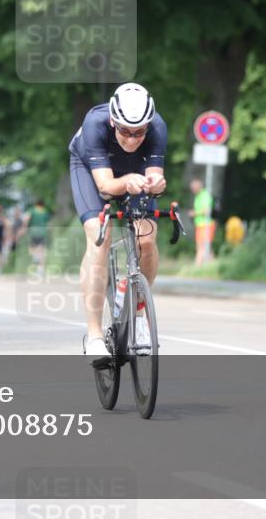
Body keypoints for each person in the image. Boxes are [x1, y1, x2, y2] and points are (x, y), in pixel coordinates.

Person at [69, 82, 167, 355]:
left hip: (133, 170)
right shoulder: (95, 123)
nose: (132, 138)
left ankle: (138, 315)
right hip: (90, 170)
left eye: (139, 132)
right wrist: (127, 182)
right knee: (100, 238)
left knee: (146, 238)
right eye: (125, 130)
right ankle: (94, 336)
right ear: (113, 121)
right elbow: (105, 186)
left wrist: (156, 182)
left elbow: (155, 173)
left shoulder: (157, 126)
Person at [188, 178, 214, 265]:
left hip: (206, 225)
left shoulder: (204, 195)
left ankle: (197, 266)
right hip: (200, 225)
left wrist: (194, 213)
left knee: (201, 246)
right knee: (206, 247)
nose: (192, 190)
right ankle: (212, 265)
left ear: (198, 187)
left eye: (193, 188)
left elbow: (206, 210)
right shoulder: (198, 195)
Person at [24, 199, 51, 276]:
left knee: (31, 247)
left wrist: (26, 227)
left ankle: (35, 256)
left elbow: (26, 218)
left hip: (33, 232)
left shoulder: (32, 210)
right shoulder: (45, 211)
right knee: (42, 251)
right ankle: (41, 270)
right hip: (43, 232)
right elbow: (48, 223)